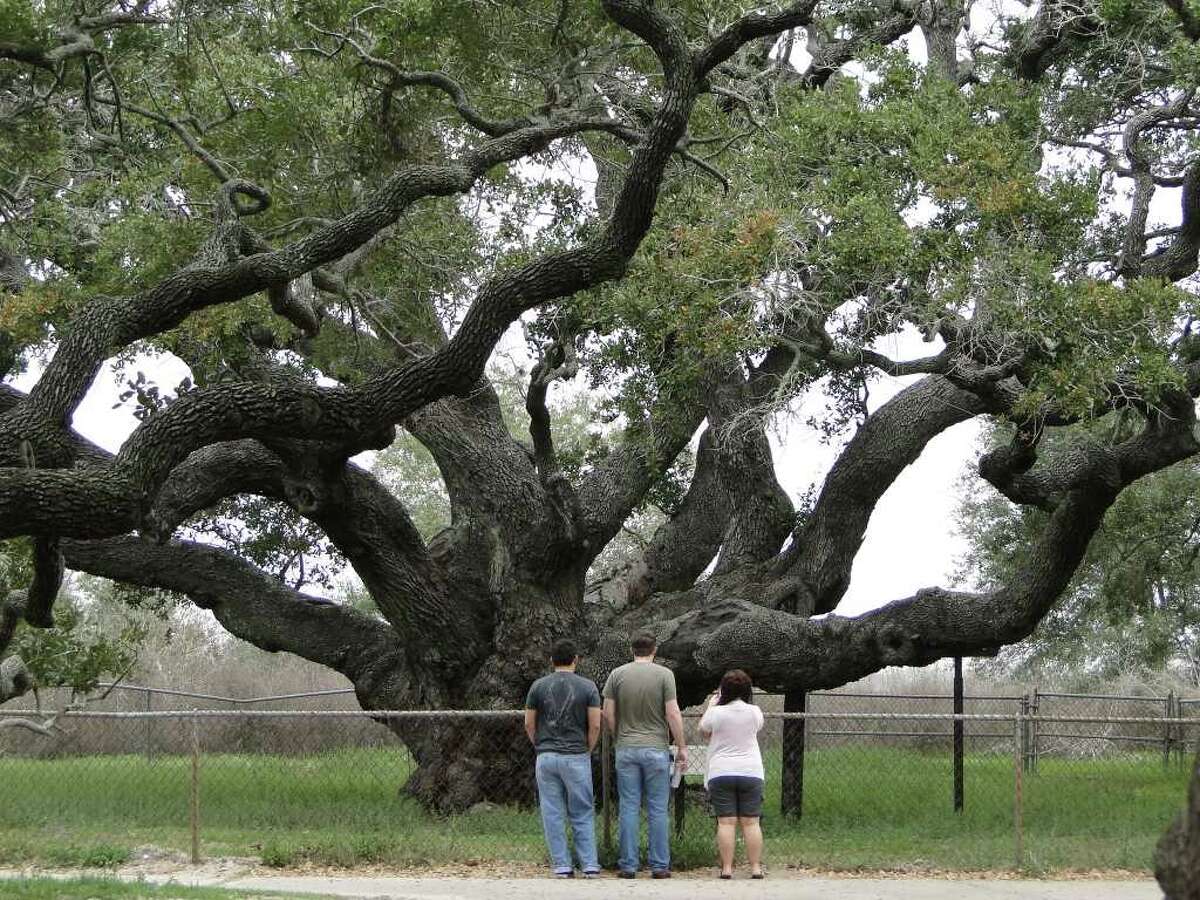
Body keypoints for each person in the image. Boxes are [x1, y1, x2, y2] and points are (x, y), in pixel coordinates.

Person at [602, 632, 688, 879]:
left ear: (632, 650)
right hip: (656, 748)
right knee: (658, 808)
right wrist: (681, 745)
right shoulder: (664, 675)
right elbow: (672, 712)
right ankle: (659, 865)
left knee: (628, 806)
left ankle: (628, 865)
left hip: (626, 747)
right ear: (654, 650)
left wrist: (618, 734)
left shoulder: (617, 674)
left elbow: (608, 711)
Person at [524, 638, 602, 879]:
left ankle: (561, 865)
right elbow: (596, 724)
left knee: (552, 811)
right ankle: (589, 864)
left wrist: (539, 744)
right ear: (575, 660)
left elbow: (529, 722)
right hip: (576, 754)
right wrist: (588, 748)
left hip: (546, 756)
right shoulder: (588, 687)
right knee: (582, 810)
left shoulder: (538, 686)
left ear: (551, 661)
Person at [699, 669, 766, 879]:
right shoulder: (755, 712)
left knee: (726, 822)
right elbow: (757, 728)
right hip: (751, 770)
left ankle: (727, 868)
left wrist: (712, 705)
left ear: (723, 690)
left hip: (721, 771)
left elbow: (703, 729)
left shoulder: (717, 713)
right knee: (751, 822)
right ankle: (755, 867)